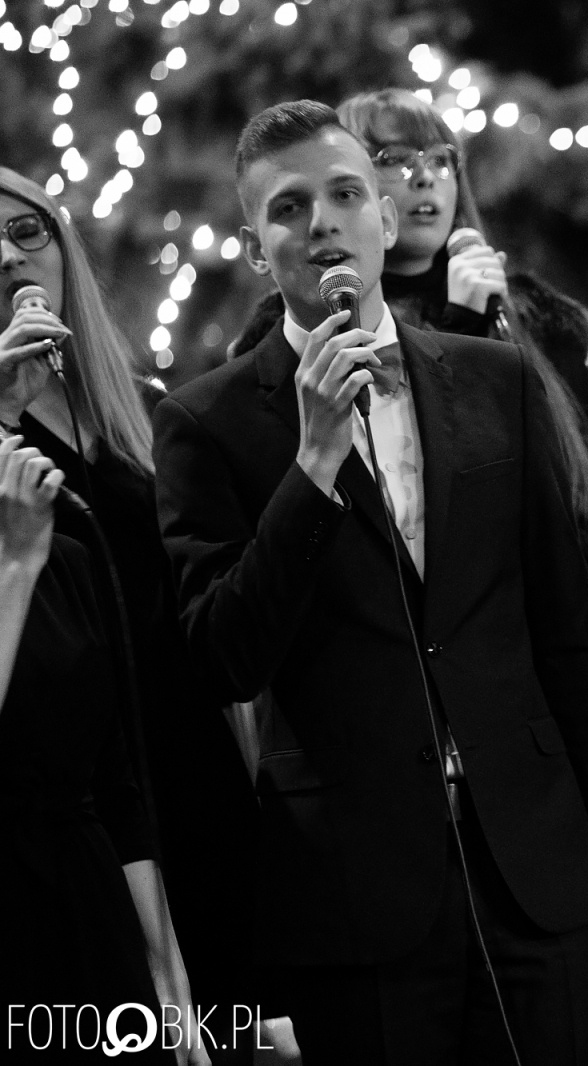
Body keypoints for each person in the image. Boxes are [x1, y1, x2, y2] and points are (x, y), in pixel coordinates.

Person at [152, 101, 588, 1064]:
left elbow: (572, 641)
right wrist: (311, 468)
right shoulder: (206, 424)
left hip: (539, 873)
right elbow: (223, 657)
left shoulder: (498, 379)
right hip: (359, 903)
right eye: (288, 207)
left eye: (347, 193)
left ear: (386, 220)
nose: (321, 222)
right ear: (255, 241)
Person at [329, 86, 588, 1065]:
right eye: (394, 166)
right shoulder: (344, 347)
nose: (422, 184)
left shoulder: (524, 309)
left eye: (437, 162)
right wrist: (455, 328)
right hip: (482, 722)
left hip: (582, 689)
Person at [0, 166, 260, 1058]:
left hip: (193, 770)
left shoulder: (143, 413)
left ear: (64, 250)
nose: (7, 254)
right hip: (79, 809)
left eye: (27, 232)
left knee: (244, 1020)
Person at [0, 432, 206, 1058]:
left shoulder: (65, 559)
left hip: (91, 906)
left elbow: (114, 787)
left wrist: (170, 977)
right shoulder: (27, 558)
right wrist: (14, 568)